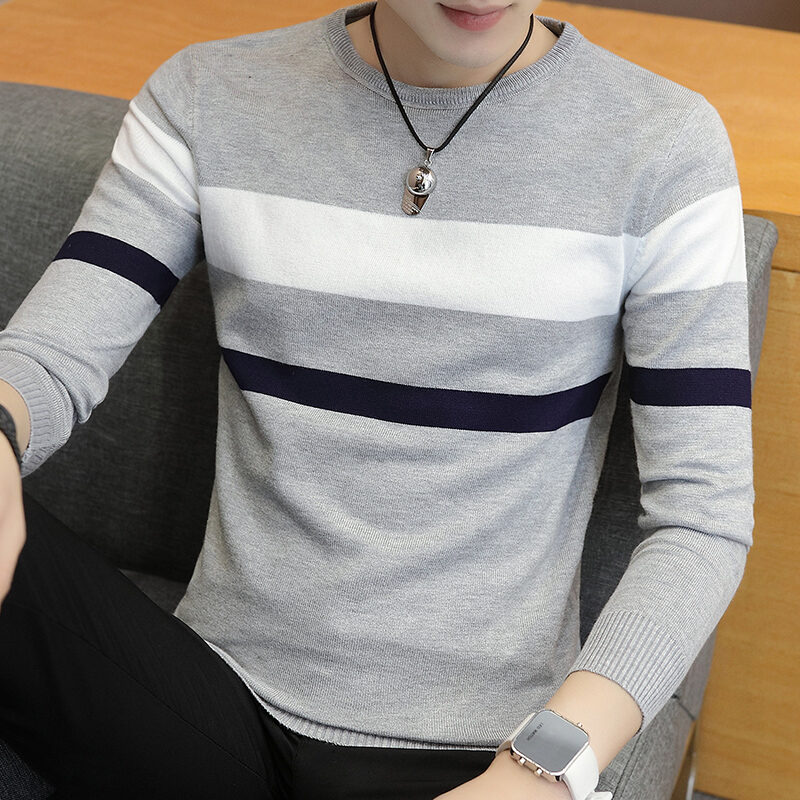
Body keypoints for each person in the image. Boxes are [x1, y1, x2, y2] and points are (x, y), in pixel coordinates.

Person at [0, 0, 754, 797]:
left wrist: (543, 768)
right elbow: (50, 356)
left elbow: (700, 518)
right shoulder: (206, 95)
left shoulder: (664, 144)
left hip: (478, 750)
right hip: (206, 700)